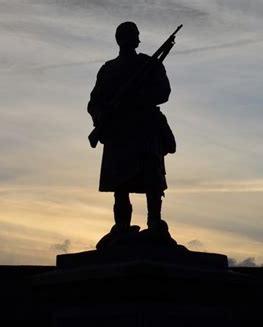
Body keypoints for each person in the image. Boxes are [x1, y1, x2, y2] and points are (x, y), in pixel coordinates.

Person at [87, 21, 175, 247]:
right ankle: (122, 226)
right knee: (120, 185)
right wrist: (102, 115)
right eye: (129, 35)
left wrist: (138, 96)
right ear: (120, 39)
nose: (134, 39)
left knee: (152, 180)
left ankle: (154, 223)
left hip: (145, 127)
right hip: (119, 131)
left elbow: (163, 92)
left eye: (135, 35)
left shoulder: (149, 64)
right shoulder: (108, 69)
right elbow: (95, 102)